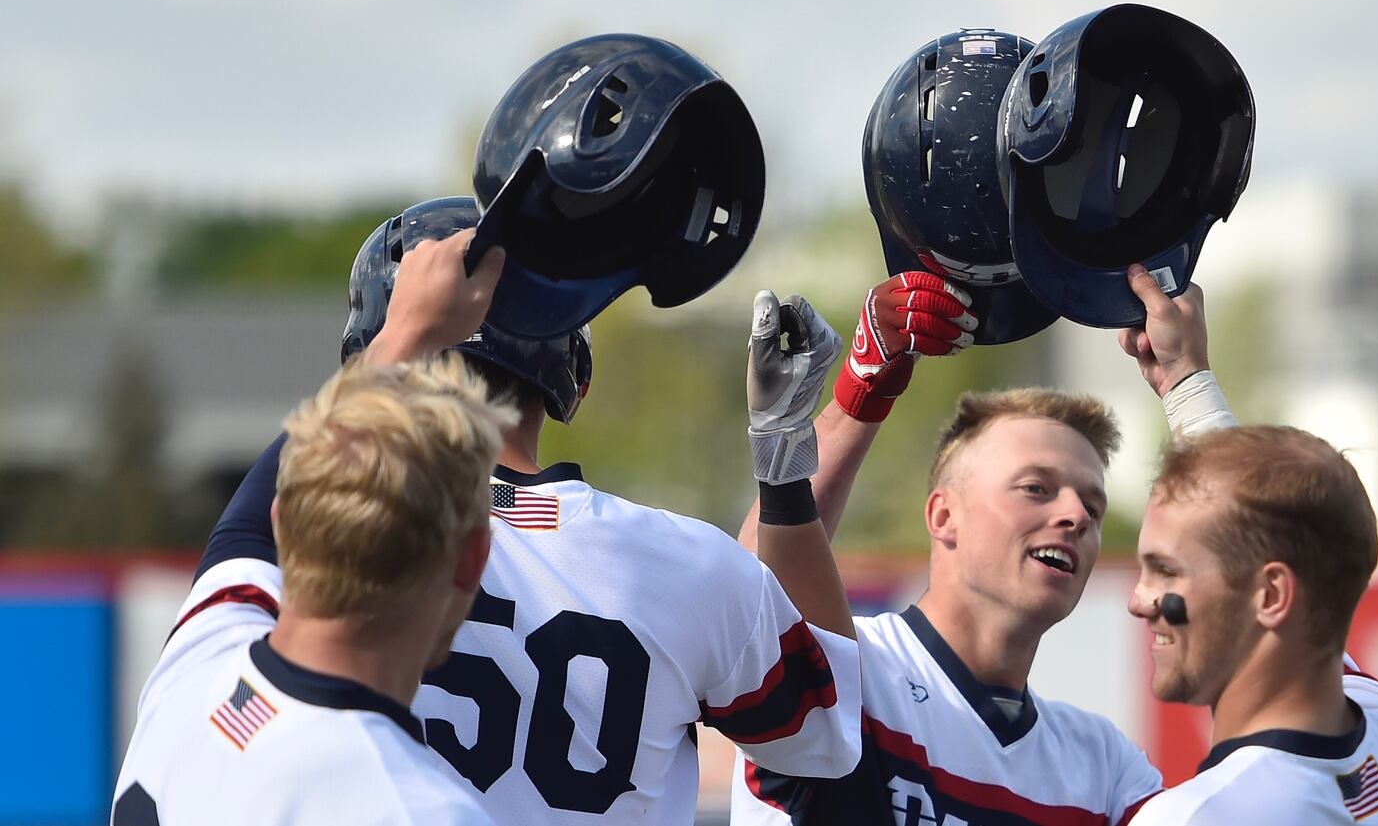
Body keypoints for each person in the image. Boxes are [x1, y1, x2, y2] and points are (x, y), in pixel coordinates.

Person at [190, 206, 864, 825]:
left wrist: (399, 340)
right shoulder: (685, 564)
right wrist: (782, 456)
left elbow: (282, 492)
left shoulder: (319, 536)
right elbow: (828, 734)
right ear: (574, 374)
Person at [730, 264, 1251, 824]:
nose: (1075, 515)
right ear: (943, 515)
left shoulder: (1103, 768)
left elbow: (1261, 609)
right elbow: (748, 595)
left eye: (1093, 507)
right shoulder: (854, 672)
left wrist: (1187, 382)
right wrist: (858, 389)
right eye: (1036, 489)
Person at [111, 234, 516, 824]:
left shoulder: (199, 668)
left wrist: (402, 332)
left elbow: (247, 518)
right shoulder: (416, 810)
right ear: (472, 558)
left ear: (286, 520)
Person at [1119, 271, 1378, 825]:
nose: (1140, 600)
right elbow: (1269, 531)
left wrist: (1188, 378)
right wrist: (1185, 381)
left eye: (1166, 572)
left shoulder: (1195, 817)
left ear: (1272, 593)